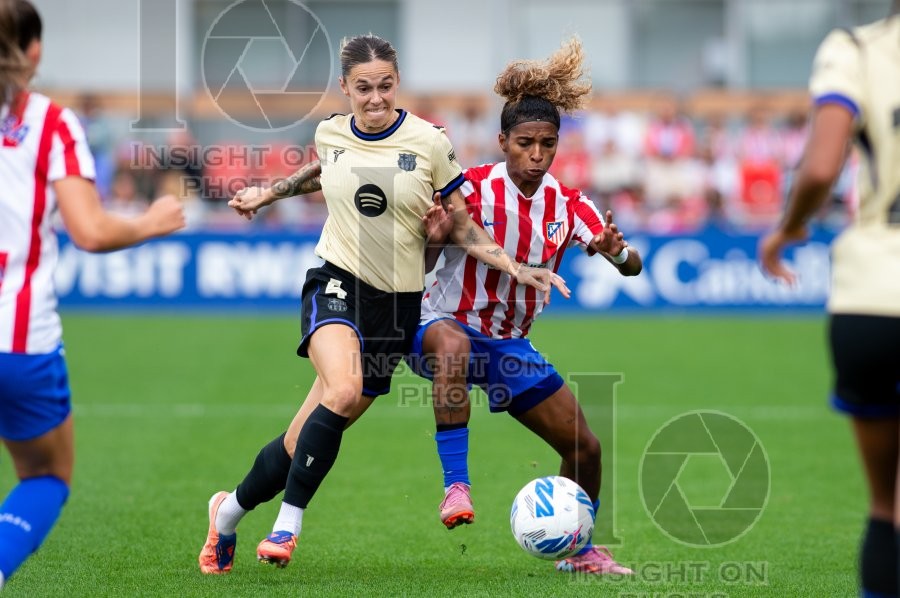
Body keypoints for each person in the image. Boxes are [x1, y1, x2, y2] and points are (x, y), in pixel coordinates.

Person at [198, 33, 566, 574]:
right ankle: (287, 524)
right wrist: (266, 193)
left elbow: (461, 222)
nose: (376, 98)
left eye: (386, 86)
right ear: (345, 87)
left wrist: (514, 266)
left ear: (398, 83)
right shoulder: (330, 132)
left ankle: (226, 513)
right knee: (343, 389)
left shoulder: (430, 142)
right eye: (364, 88)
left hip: (396, 308)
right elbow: (322, 168)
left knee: (304, 437)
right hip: (336, 281)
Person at [407, 37, 641, 575]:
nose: (536, 155)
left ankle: (580, 552)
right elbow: (417, 269)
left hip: (509, 345)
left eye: (547, 144)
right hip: (439, 326)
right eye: (525, 143)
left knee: (585, 446)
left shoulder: (569, 202)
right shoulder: (470, 190)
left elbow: (633, 267)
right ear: (502, 141)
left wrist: (617, 251)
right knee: (454, 343)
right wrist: (435, 239)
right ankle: (456, 487)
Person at [0, 0, 185, 589]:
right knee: (46, 476)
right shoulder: (50, 124)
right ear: (34, 51)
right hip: (18, 339)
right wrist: (154, 220)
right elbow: (91, 231)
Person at [759, 5, 900, 596]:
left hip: (872, 295)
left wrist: (789, 228)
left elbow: (820, 166)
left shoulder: (857, 49)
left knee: (885, 505)